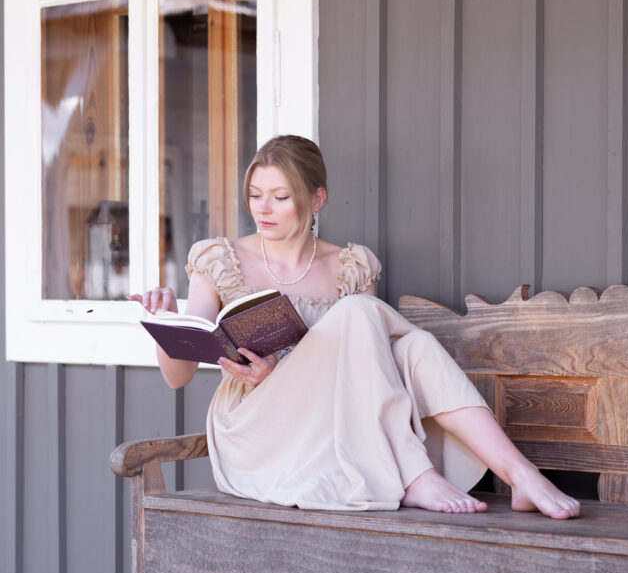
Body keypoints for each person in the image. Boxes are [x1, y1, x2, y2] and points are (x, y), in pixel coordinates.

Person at [130, 135, 580, 520]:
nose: (263, 209)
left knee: (416, 347)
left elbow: (364, 377)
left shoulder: (352, 266)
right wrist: (167, 322)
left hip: (330, 424)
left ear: (316, 199)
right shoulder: (218, 258)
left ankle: (521, 474)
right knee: (360, 313)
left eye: (280, 197)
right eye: (255, 194)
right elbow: (177, 378)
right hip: (256, 429)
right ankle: (415, 473)